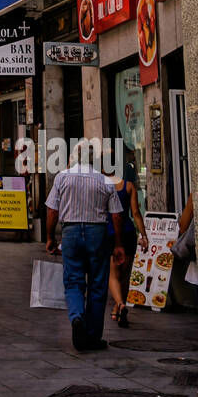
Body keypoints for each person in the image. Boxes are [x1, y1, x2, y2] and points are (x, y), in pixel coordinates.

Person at [45, 141, 125, 352]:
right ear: (94, 159)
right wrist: (118, 244)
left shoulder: (62, 177)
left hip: (70, 232)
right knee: (98, 284)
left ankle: (77, 317)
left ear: (73, 157)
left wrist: (50, 238)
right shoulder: (105, 181)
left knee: (73, 281)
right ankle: (92, 336)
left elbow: (52, 211)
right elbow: (116, 214)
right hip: (97, 232)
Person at [105, 164, 147, 326]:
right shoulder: (128, 186)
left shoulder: (102, 185)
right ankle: (117, 307)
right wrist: (143, 235)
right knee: (125, 274)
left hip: (110, 233)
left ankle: (120, 304)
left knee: (113, 274)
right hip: (128, 232)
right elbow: (136, 213)